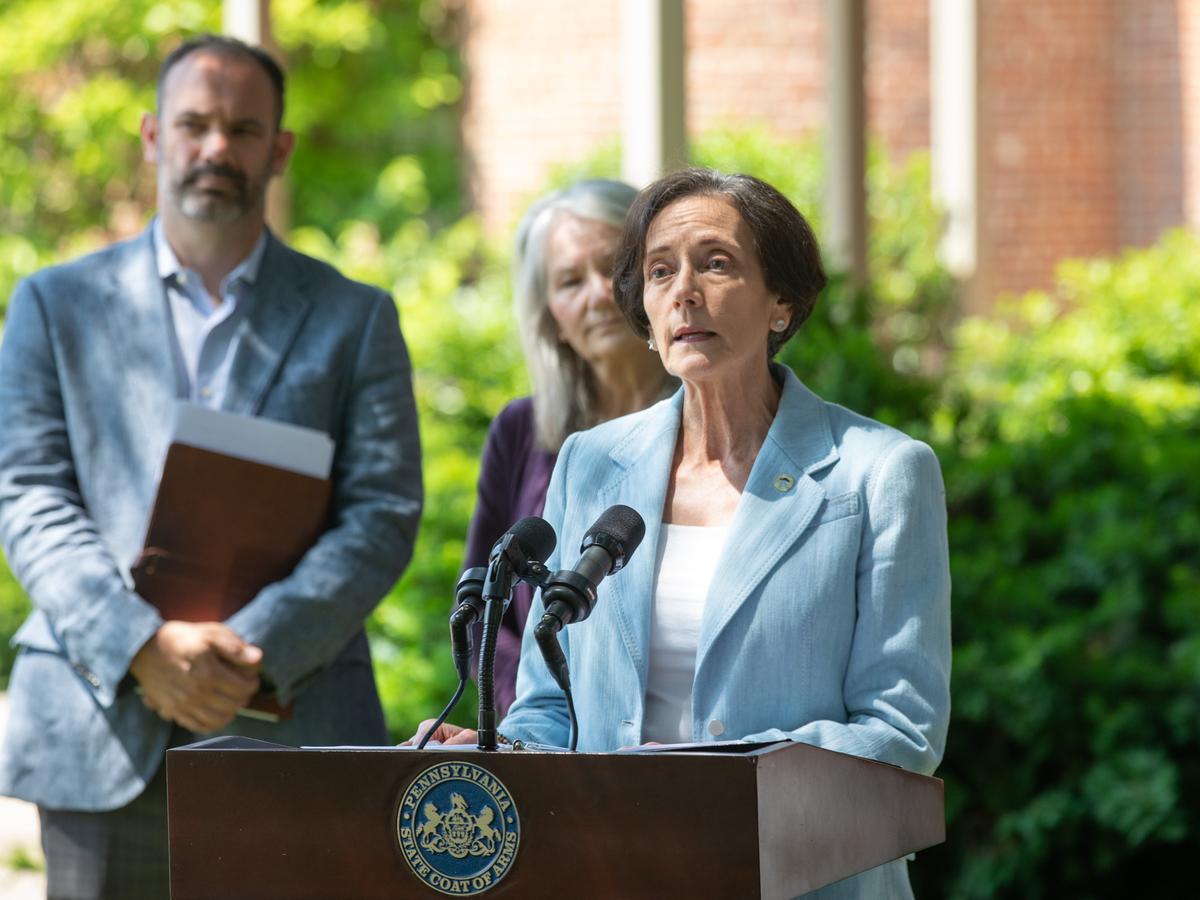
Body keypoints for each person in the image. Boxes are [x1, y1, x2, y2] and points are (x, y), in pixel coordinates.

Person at [414, 168, 950, 899]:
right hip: (615, 875)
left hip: (808, 880)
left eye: (716, 263)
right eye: (660, 271)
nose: (684, 292)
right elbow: (548, 708)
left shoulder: (880, 472)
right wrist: (494, 749)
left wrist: (705, 786)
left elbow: (900, 730)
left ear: (783, 303)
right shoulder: (590, 462)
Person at [0, 35, 422, 899]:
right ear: (153, 137)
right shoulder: (54, 304)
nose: (216, 147)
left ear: (280, 148)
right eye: (194, 124)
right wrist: (141, 645)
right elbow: (27, 493)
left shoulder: (356, 318)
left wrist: (250, 653)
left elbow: (382, 512)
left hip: (292, 722)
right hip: (98, 721)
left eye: (243, 128)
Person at [461, 179, 669, 716]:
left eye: (613, 267)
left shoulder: (715, 423)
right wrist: (534, 721)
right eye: (571, 281)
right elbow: (484, 605)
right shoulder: (520, 430)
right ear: (550, 316)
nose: (598, 294)